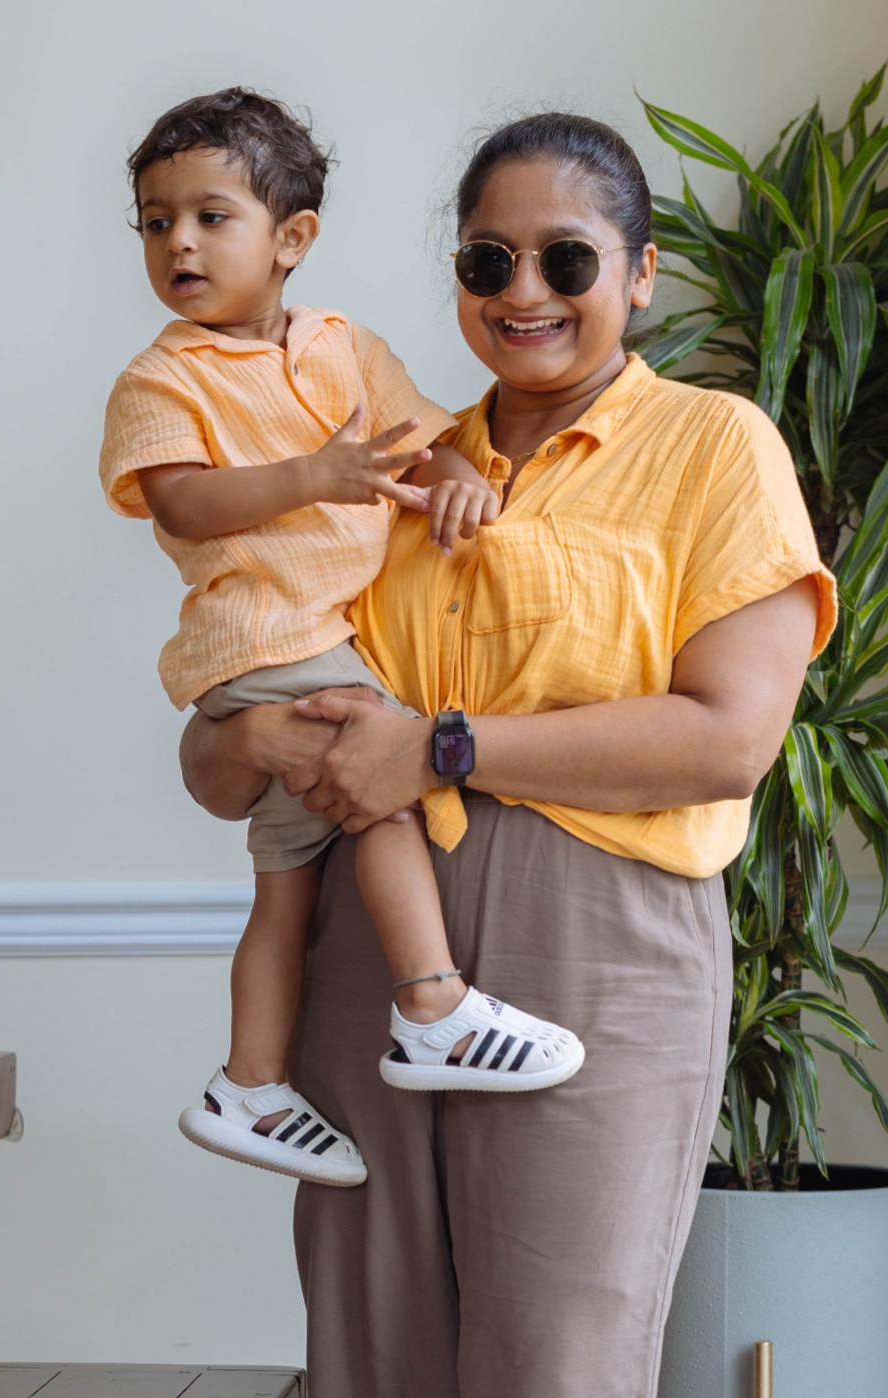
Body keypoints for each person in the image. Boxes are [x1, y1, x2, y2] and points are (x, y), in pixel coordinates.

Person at [180, 111, 837, 1398]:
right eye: (488, 259)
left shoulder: (713, 447)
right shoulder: (388, 456)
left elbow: (725, 735)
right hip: (375, 949)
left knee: (562, 1393)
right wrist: (250, 745)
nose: (525, 291)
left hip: (599, 940)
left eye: (567, 259)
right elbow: (231, 719)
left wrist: (445, 743)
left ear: (640, 275)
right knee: (382, 1371)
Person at [100, 89, 583, 1191]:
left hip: (312, 635)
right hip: (266, 636)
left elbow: (418, 445)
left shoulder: (343, 347)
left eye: (210, 216)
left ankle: (250, 1084)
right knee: (382, 781)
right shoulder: (160, 377)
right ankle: (434, 1007)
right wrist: (312, 476)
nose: (178, 243)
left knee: (285, 884)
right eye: (155, 222)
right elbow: (181, 505)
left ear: (293, 238)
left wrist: (456, 482)